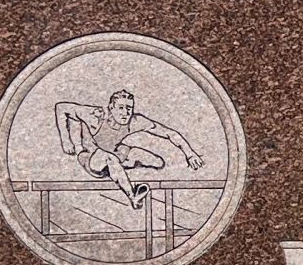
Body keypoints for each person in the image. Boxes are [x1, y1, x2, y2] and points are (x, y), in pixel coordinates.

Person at [58, 86, 202, 208]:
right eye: (120, 108)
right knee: (110, 158)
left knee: (157, 162)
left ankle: (116, 172)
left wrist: (189, 153)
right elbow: (61, 108)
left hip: (115, 152)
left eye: (129, 108)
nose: (125, 112)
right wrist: (66, 141)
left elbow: (168, 133)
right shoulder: (96, 116)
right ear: (111, 108)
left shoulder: (135, 121)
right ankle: (133, 196)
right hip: (91, 157)